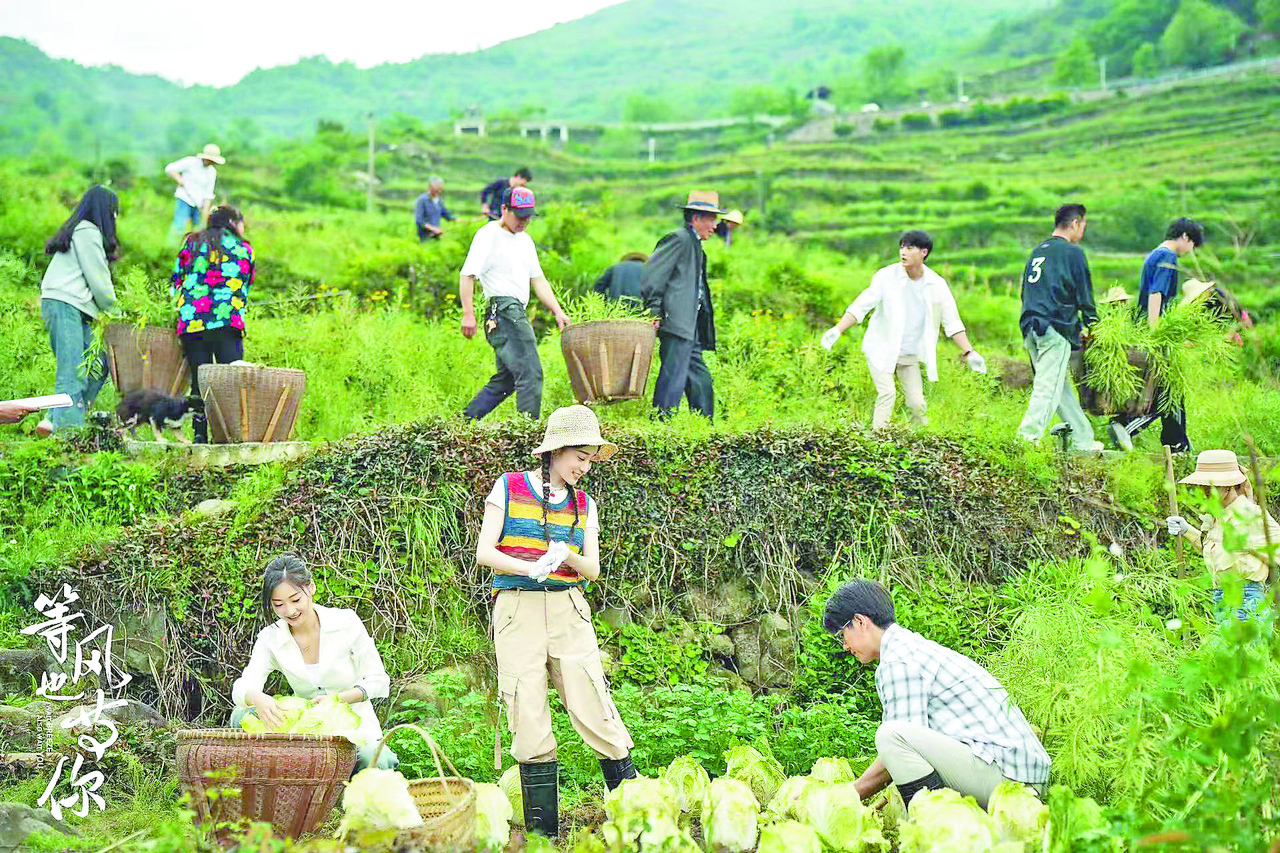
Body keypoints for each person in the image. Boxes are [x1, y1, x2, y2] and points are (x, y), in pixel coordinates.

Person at [474, 405, 637, 836]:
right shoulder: (508, 488)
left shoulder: (585, 504)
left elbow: (594, 570)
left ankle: (636, 815)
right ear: (557, 449)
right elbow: (484, 552)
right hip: (516, 609)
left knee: (594, 704)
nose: (585, 467)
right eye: (580, 456)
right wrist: (530, 568)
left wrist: (567, 555)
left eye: (590, 459)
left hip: (568, 609)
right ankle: (544, 836)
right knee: (527, 712)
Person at [824, 579, 1050, 809]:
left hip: (1012, 785)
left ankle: (942, 832)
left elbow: (896, 748)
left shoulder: (898, 661)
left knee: (890, 736)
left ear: (860, 621)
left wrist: (844, 798)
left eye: (842, 635)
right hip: (1015, 777)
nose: (844, 646)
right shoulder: (909, 648)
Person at [230, 555, 398, 773]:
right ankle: (275, 790)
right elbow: (242, 687)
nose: (289, 611)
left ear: (311, 588)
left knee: (377, 759)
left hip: (353, 726)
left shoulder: (345, 623)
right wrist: (257, 697)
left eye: (296, 599)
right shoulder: (271, 638)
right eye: (279, 605)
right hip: (305, 730)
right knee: (240, 716)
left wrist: (337, 700)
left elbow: (379, 681)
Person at [820, 230, 986, 430]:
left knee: (917, 404)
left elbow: (952, 323)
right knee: (887, 394)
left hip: (909, 354)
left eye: (909, 248)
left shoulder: (937, 285)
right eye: (901, 247)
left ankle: (921, 446)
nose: (903, 252)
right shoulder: (886, 276)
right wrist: (838, 329)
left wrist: (969, 352)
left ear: (923, 252)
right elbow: (862, 305)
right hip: (881, 349)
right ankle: (877, 443)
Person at [459, 186, 569, 421]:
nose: (524, 221)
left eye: (528, 216)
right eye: (519, 215)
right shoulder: (488, 235)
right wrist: (468, 314)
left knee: (508, 379)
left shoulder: (525, 241)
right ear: (504, 209)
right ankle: (527, 435)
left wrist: (558, 311)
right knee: (530, 373)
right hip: (504, 310)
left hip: (514, 310)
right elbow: (467, 275)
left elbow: (538, 280)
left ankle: (463, 421)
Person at [1108, 218, 1204, 453]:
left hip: (1146, 331)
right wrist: (1157, 334)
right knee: (1168, 392)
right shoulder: (1166, 257)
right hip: (1154, 333)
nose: (1190, 251)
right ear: (1185, 237)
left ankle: (1176, 443)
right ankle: (1128, 425)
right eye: (1192, 245)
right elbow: (1156, 295)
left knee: (1169, 391)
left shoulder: (1154, 255)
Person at [1016, 203, 1101, 452]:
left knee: (1058, 386)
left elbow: (1026, 291)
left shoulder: (1037, 251)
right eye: (1083, 225)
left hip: (1031, 325)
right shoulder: (1072, 253)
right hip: (1054, 326)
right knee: (1048, 385)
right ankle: (1026, 439)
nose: (1082, 231)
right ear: (1076, 223)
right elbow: (1084, 294)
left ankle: (1083, 439)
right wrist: (1093, 325)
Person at [36, 185, 120, 436]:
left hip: (73, 307)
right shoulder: (87, 231)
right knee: (73, 369)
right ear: (105, 211)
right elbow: (99, 280)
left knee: (100, 361)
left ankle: (54, 418)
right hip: (64, 304)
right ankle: (69, 435)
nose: (115, 218)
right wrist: (118, 312)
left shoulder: (83, 231)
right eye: (114, 212)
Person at [171, 205, 254, 443]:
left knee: (199, 381)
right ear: (232, 222)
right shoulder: (243, 247)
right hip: (228, 320)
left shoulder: (191, 242)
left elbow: (177, 278)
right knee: (230, 380)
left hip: (193, 321)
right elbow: (247, 282)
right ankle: (229, 436)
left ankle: (199, 436)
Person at [1166, 449, 1277, 622]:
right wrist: (1186, 530)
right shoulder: (1218, 517)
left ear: (1228, 486)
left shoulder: (1251, 515)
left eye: (1208, 487)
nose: (1203, 492)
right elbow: (1217, 549)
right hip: (1222, 601)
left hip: (1245, 604)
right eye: (1201, 487)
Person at [642, 190, 723, 419]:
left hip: (690, 325)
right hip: (676, 321)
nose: (715, 226)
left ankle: (704, 428)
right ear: (696, 219)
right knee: (673, 379)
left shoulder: (696, 246)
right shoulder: (678, 239)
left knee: (700, 378)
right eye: (711, 219)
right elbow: (652, 274)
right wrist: (655, 309)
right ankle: (660, 426)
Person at [165, 143, 224, 240]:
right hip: (185, 198)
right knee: (179, 225)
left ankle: (193, 251)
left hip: (199, 204)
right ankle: (169, 248)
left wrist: (205, 211)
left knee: (197, 229)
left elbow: (208, 193)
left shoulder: (212, 172)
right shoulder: (190, 162)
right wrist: (179, 178)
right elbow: (169, 168)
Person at [414, 175, 455, 241]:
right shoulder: (422, 200)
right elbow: (419, 221)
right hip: (424, 238)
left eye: (440, 189)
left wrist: (467, 221)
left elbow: (448, 216)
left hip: (436, 237)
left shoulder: (439, 201)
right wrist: (434, 229)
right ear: (430, 187)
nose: (439, 191)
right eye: (437, 189)